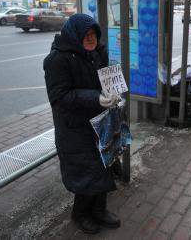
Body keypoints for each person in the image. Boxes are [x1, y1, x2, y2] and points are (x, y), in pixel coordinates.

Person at [43, 13, 121, 234]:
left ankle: (100, 210)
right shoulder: (57, 60)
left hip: (100, 122)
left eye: (93, 34)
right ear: (74, 35)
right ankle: (80, 213)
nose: (90, 39)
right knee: (86, 172)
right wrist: (95, 97)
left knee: (103, 166)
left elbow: (108, 80)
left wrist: (114, 92)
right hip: (75, 128)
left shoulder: (99, 52)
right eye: (85, 35)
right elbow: (58, 97)